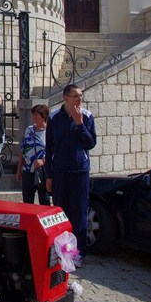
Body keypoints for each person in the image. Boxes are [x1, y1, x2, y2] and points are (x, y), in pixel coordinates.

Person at [45, 85, 97, 259]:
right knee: (61, 213)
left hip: (79, 171)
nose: (79, 99)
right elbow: (49, 147)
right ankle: (62, 251)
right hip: (59, 171)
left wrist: (80, 123)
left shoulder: (87, 116)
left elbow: (90, 143)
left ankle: (77, 253)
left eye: (81, 95)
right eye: (76, 96)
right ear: (66, 97)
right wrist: (49, 175)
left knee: (79, 213)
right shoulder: (54, 117)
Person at [16, 104, 51, 206]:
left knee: (44, 200)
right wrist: (18, 170)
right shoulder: (29, 130)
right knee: (27, 200)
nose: (34, 117)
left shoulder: (49, 131)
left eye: (37, 115)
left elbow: (54, 151)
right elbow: (23, 150)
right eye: (33, 114)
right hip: (28, 169)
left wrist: (43, 161)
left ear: (43, 116)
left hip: (43, 170)